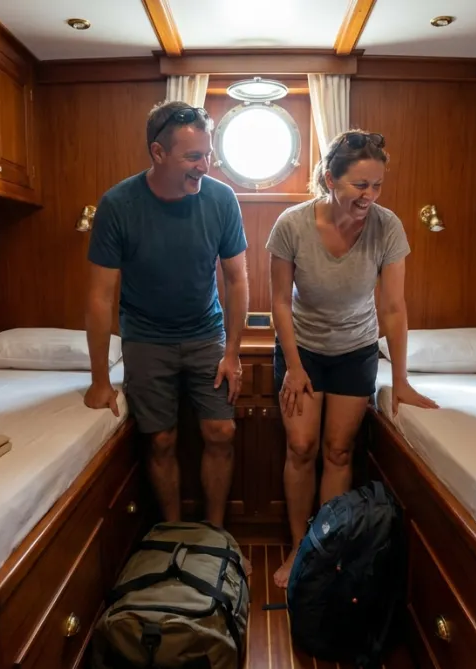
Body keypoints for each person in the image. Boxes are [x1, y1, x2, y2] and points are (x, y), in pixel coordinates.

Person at [267, 129, 438, 588]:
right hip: (302, 349)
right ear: (330, 179)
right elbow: (279, 302)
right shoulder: (292, 224)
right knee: (301, 447)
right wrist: (294, 367)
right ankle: (298, 549)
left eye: (377, 185)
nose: (370, 195)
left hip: (356, 349)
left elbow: (394, 308)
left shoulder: (388, 226)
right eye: (360, 185)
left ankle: (324, 552)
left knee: (338, 451)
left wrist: (401, 380)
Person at [83, 101, 249, 535]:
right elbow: (100, 297)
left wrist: (232, 353)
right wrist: (99, 379)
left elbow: (236, 279)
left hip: (205, 333)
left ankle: (215, 536)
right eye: (193, 157)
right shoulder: (118, 204)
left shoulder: (221, 199)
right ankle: (172, 536)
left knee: (221, 432)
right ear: (158, 153)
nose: (205, 167)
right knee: (160, 440)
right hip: (146, 337)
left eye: (208, 155)